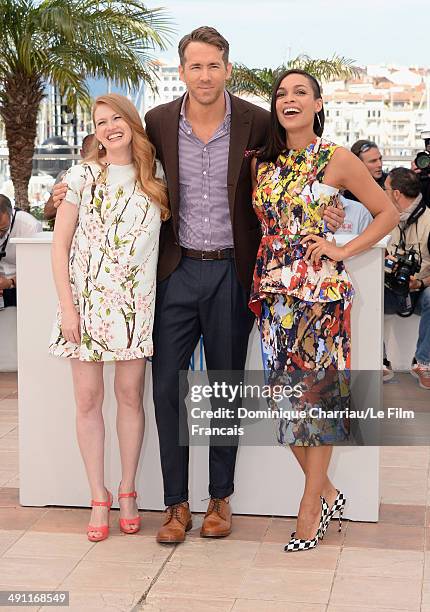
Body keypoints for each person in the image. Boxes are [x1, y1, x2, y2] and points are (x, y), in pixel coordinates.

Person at [52, 26, 345, 545]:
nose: (204, 75)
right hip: (175, 272)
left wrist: (330, 213)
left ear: (227, 69)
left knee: (224, 389)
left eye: (213, 66)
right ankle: (175, 505)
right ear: (182, 70)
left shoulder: (257, 122)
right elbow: (122, 155)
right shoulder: (161, 120)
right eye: (195, 66)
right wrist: (70, 182)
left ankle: (220, 499)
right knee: (167, 390)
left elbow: (296, 170)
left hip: (234, 272)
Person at [249, 69, 398, 552]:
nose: (288, 100)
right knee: (283, 400)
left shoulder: (335, 157)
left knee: (318, 400)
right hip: (274, 296)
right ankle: (329, 492)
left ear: (317, 103)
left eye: (300, 93)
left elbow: (388, 213)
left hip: (319, 298)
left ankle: (309, 506)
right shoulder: (263, 162)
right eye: (281, 94)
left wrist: (343, 249)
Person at [49, 93, 168, 541]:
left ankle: (129, 489)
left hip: (135, 306)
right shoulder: (80, 175)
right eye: (101, 121)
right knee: (87, 401)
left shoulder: (155, 177)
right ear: (95, 131)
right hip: (84, 305)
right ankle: (98, 496)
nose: (110, 127)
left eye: (117, 118)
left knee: (131, 396)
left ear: (132, 123)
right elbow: (60, 246)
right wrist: (66, 307)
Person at [383, 167, 430, 388]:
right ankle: (379, 360)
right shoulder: (385, 218)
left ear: (396, 194)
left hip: (420, 291)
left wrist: (420, 282)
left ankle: (424, 362)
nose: (383, 193)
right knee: (364, 293)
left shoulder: (429, 220)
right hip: (389, 289)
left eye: (386, 189)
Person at [0, 194, 42, 308]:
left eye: (3, 229)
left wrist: (10, 283)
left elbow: (37, 271)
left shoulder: (30, 226)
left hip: (23, 288)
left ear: (11, 213)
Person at [44, 134, 95, 221]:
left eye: (99, 152)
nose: (95, 157)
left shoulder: (112, 175)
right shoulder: (69, 176)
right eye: (90, 153)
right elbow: (48, 212)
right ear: (82, 153)